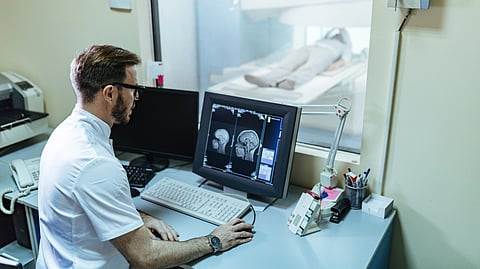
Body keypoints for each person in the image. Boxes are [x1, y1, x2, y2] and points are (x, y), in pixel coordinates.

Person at [36, 44, 254, 269]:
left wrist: (141, 218)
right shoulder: (95, 163)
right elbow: (145, 258)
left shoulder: (64, 134)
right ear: (110, 93)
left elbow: (93, 206)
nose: (136, 97)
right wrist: (214, 241)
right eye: (133, 88)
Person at [244, 28, 352, 90]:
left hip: (327, 52)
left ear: (343, 38)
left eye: (339, 35)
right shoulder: (323, 39)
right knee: (289, 62)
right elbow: (331, 33)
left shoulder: (344, 46)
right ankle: (265, 79)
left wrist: (335, 65)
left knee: (311, 67)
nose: (336, 35)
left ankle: (292, 81)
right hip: (311, 47)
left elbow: (345, 59)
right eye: (336, 34)